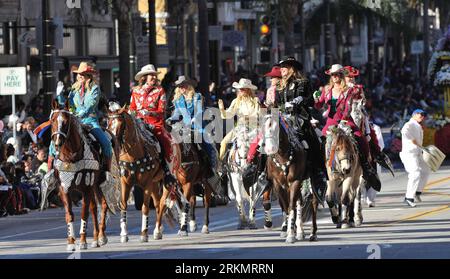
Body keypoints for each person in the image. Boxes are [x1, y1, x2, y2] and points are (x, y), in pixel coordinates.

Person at [314, 64, 380, 190]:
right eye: (332, 75)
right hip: (330, 123)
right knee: (319, 142)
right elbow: (319, 105)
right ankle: (319, 170)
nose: (335, 77)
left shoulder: (349, 90)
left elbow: (353, 105)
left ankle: (366, 167)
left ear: (342, 75)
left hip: (346, 121)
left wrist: (344, 121)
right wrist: (315, 99)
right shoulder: (327, 90)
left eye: (337, 74)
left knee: (361, 138)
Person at [275, 57, 327, 202]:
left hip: (299, 117)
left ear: (292, 68)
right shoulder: (279, 85)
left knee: (312, 138)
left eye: (284, 67)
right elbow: (277, 103)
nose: (282, 69)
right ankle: (263, 173)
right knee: (267, 138)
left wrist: (299, 101)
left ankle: (318, 171)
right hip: (283, 118)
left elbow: (310, 99)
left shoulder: (302, 83)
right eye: (281, 67)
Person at [50, 62, 113, 180]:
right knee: (54, 142)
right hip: (74, 121)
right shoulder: (74, 89)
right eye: (78, 74)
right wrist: (59, 96)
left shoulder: (94, 89)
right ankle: (50, 174)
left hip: (90, 122)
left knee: (106, 143)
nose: (79, 77)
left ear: (89, 76)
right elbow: (67, 105)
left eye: (82, 75)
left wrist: (80, 114)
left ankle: (107, 172)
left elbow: (91, 104)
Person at [129, 64, 176, 186]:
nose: (154, 77)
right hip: (138, 123)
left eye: (155, 75)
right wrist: (132, 113)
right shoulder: (135, 91)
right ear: (144, 77)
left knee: (165, 142)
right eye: (151, 75)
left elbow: (161, 110)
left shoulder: (160, 91)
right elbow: (132, 107)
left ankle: (167, 171)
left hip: (154, 124)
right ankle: (122, 168)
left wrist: (149, 112)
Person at [167, 76, 217, 177]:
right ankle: (171, 170)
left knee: (206, 143)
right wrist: (170, 119)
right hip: (184, 127)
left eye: (184, 85)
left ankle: (213, 168)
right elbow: (177, 114)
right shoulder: (178, 100)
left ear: (188, 86)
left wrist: (195, 118)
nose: (182, 88)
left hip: (197, 126)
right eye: (180, 86)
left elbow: (199, 111)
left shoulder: (196, 96)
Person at [218, 78, 260, 161]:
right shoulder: (236, 101)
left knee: (262, 146)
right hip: (240, 128)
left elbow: (258, 114)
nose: (240, 90)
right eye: (239, 89)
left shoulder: (255, 100)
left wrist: (248, 118)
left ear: (248, 90)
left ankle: (262, 167)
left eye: (242, 89)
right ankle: (221, 166)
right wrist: (222, 109)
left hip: (253, 128)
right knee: (223, 142)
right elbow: (229, 114)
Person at [399, 109, 430, 207]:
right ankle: (409, 198)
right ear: (414, 115)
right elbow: (404, 131)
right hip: (409, 154)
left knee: (426, 170)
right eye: (419, 114)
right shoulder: (410, 124)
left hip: (418, 153)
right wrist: (413, 141)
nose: (421, 116)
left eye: (423, 114)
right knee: (415, 173)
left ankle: (417, 192)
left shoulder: (418, 126)